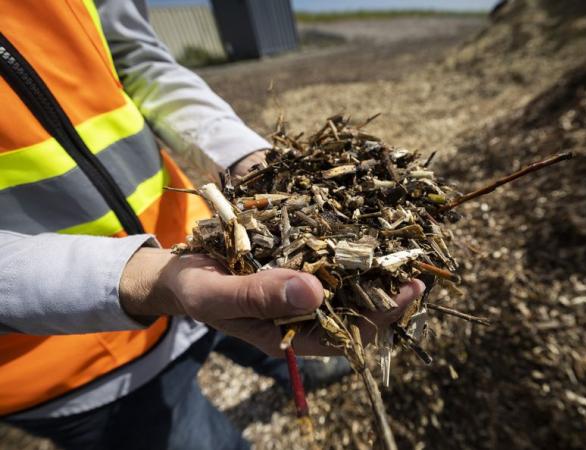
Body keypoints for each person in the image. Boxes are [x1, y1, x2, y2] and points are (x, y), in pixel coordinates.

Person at [0, 1, 423, 449]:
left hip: (200, 248)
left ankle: (302, 374)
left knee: (276, 329)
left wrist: (244, 155)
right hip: (69, 361)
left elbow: (133, 55)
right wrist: (136, 278)